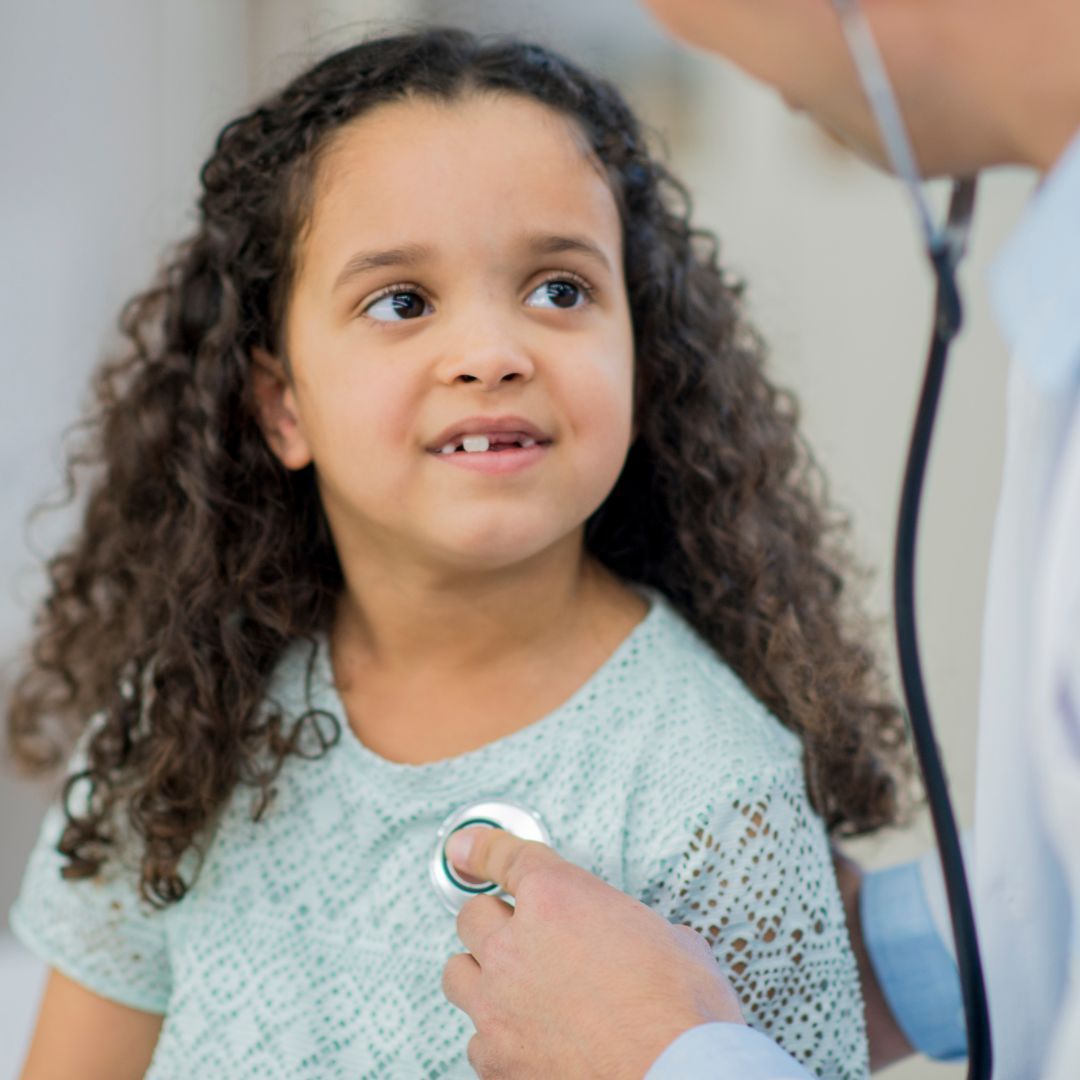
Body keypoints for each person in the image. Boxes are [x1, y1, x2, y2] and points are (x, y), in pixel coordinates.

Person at [4, 26, 912, 1080]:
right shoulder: (179, 730)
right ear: (281, 405)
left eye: (561, 290)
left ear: (644, 361)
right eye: (402, 302)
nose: (491, 354)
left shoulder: (719, 803)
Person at [440, 1, 1080, 1078]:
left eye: (561, 291)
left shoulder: (707, 749)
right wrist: (851, 953)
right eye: (403, 299)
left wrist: (661, 1057)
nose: (676, 25)